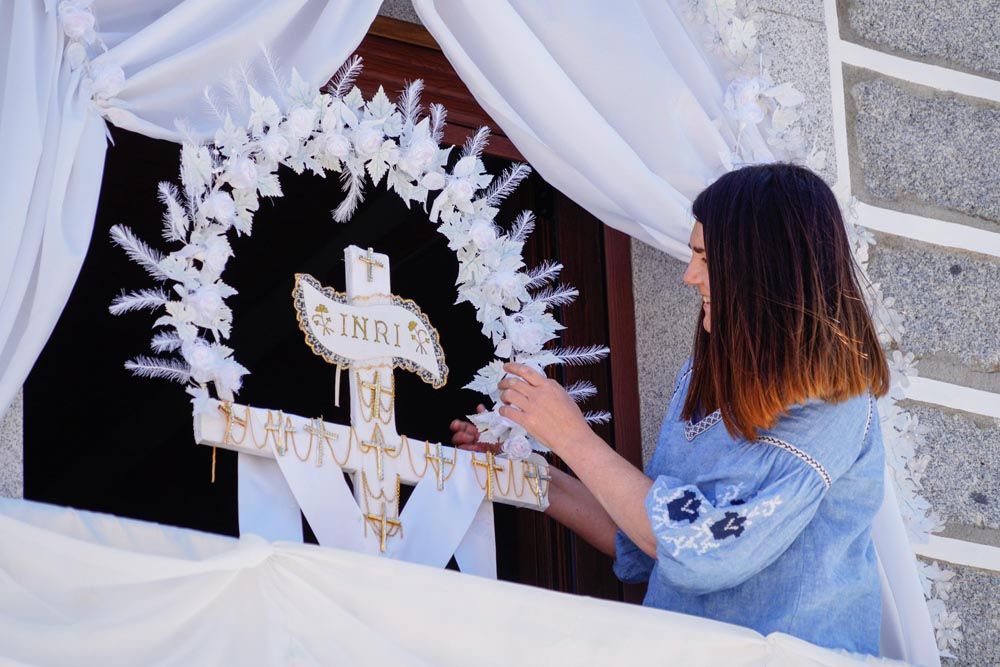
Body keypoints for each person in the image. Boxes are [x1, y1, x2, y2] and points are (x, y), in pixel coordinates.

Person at [451, 163, 888, 656]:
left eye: (704, 256)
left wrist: (573, 436)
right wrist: (529, 474)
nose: (689, 275)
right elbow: (643, 538)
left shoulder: (834, 409)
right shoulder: (702, 381)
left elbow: (701, 548)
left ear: (763, 264)